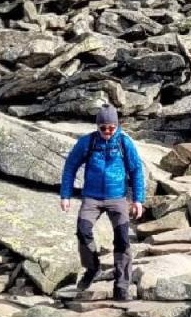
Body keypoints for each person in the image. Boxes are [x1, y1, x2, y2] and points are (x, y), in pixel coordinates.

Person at [59, 104, 147, 301]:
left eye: (111, 128)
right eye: (103, 128)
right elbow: (70, 166)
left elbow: (136, 171)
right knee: (83, 230)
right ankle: (92, 268)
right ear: (97, 126)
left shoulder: (124, 143)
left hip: (118, 198)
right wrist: (65, 195)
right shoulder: (87, 142)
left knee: (122, 239)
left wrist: (138, 200)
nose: (107, 131)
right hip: (92, 197)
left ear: (117, 126)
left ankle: (121, 287)